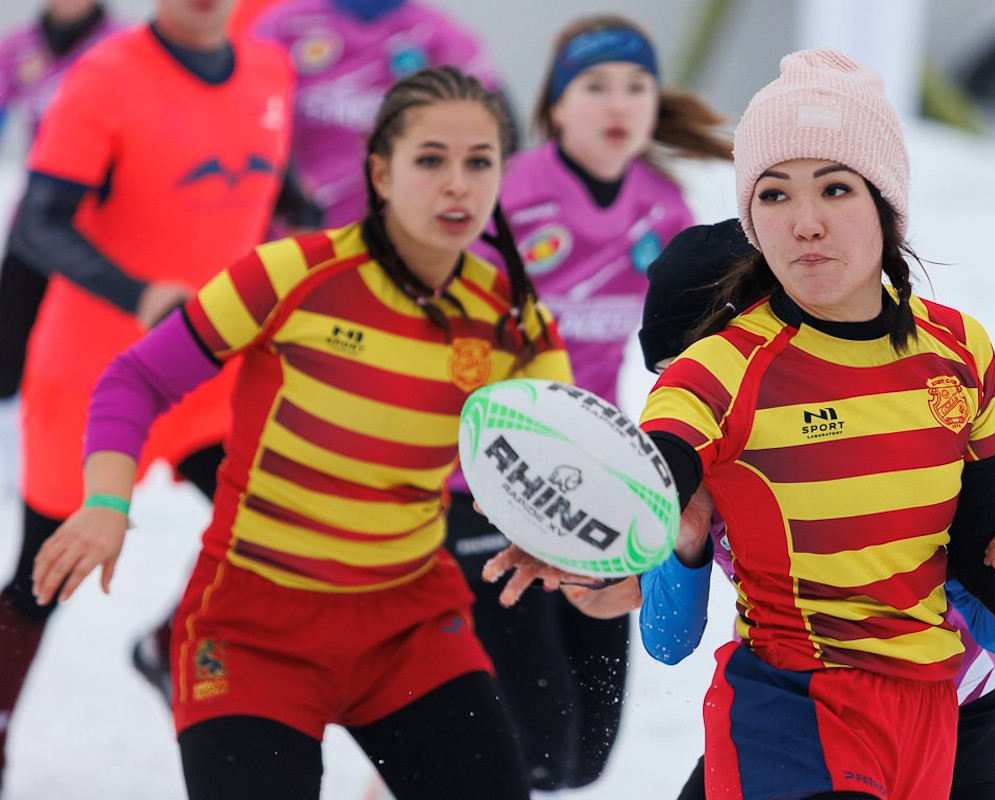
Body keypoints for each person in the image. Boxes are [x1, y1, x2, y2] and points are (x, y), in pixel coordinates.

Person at [486, 50, 995, 800]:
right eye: (775, 195)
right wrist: (603, 528)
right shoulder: (719, 374)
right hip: (796, 711)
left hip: (949, 711)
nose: (805, 223)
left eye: (836, 188)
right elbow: (656, 475)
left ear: (885, 204)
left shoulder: (957, 349)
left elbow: (985, 549)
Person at [31, 65, 569, 800]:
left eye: (480, 162)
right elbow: (136, 380)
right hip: (254, 629)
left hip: (409, 625)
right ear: (380, 172)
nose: (458, 184)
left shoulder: (514, 319)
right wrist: (105, 503)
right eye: (430, 160)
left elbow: (564, 464)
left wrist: (585, 560)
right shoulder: (294, 275)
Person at [571, 218, 995, 800]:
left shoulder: (874, 435)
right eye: (666, 383)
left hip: (959, 714)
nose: (686, 408)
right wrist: (687, 542)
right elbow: (668, 640)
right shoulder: (699, 467)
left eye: (692, 380)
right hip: (804, 704)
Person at [0, 0, 293, 789]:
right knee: (45, 571)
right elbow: (38, 223)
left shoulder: (270, 70)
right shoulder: (105, 78)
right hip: (97, 375)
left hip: (213, 368)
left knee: (277, 519)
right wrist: (137, 294)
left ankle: (166, 643)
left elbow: (285, 201)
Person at [453, 14, 732, 792]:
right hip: (490, 482)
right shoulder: (506, 196)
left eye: (637, 86)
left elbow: (706, 345)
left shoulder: (663, 209)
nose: (619, 104)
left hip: (603, 479)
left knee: (583, 760)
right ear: (555, 106)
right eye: (596, 86)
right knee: (538, 743)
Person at [0, 0, 122, 494]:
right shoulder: (19, 48)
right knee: (10, 334)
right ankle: (14, 454)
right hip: (35, 218)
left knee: (77, 346)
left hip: (100, 227)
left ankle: (81, 457)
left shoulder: (120, 48)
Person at [249, 0, 504, 229]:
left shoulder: (439, 37)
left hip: (402, 241)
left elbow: (495, 137)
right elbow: (238, 124)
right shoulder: (283, 28)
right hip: (300, 235)